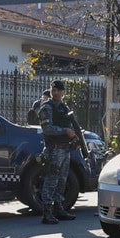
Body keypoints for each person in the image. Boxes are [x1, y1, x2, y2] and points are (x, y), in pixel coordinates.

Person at [37, 80, 84, 225]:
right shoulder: (47, 107)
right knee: (51, 180)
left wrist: (75, 138)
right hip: (53, 149)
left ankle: (59, 209)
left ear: (63, 92)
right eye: (53, 90)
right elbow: (47, 129)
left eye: (58, 90)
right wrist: (65, 131)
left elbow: (70, 125)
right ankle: (47, 212)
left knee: (62, 180)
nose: (55, 92)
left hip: (64, 149)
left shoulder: (64, 107)